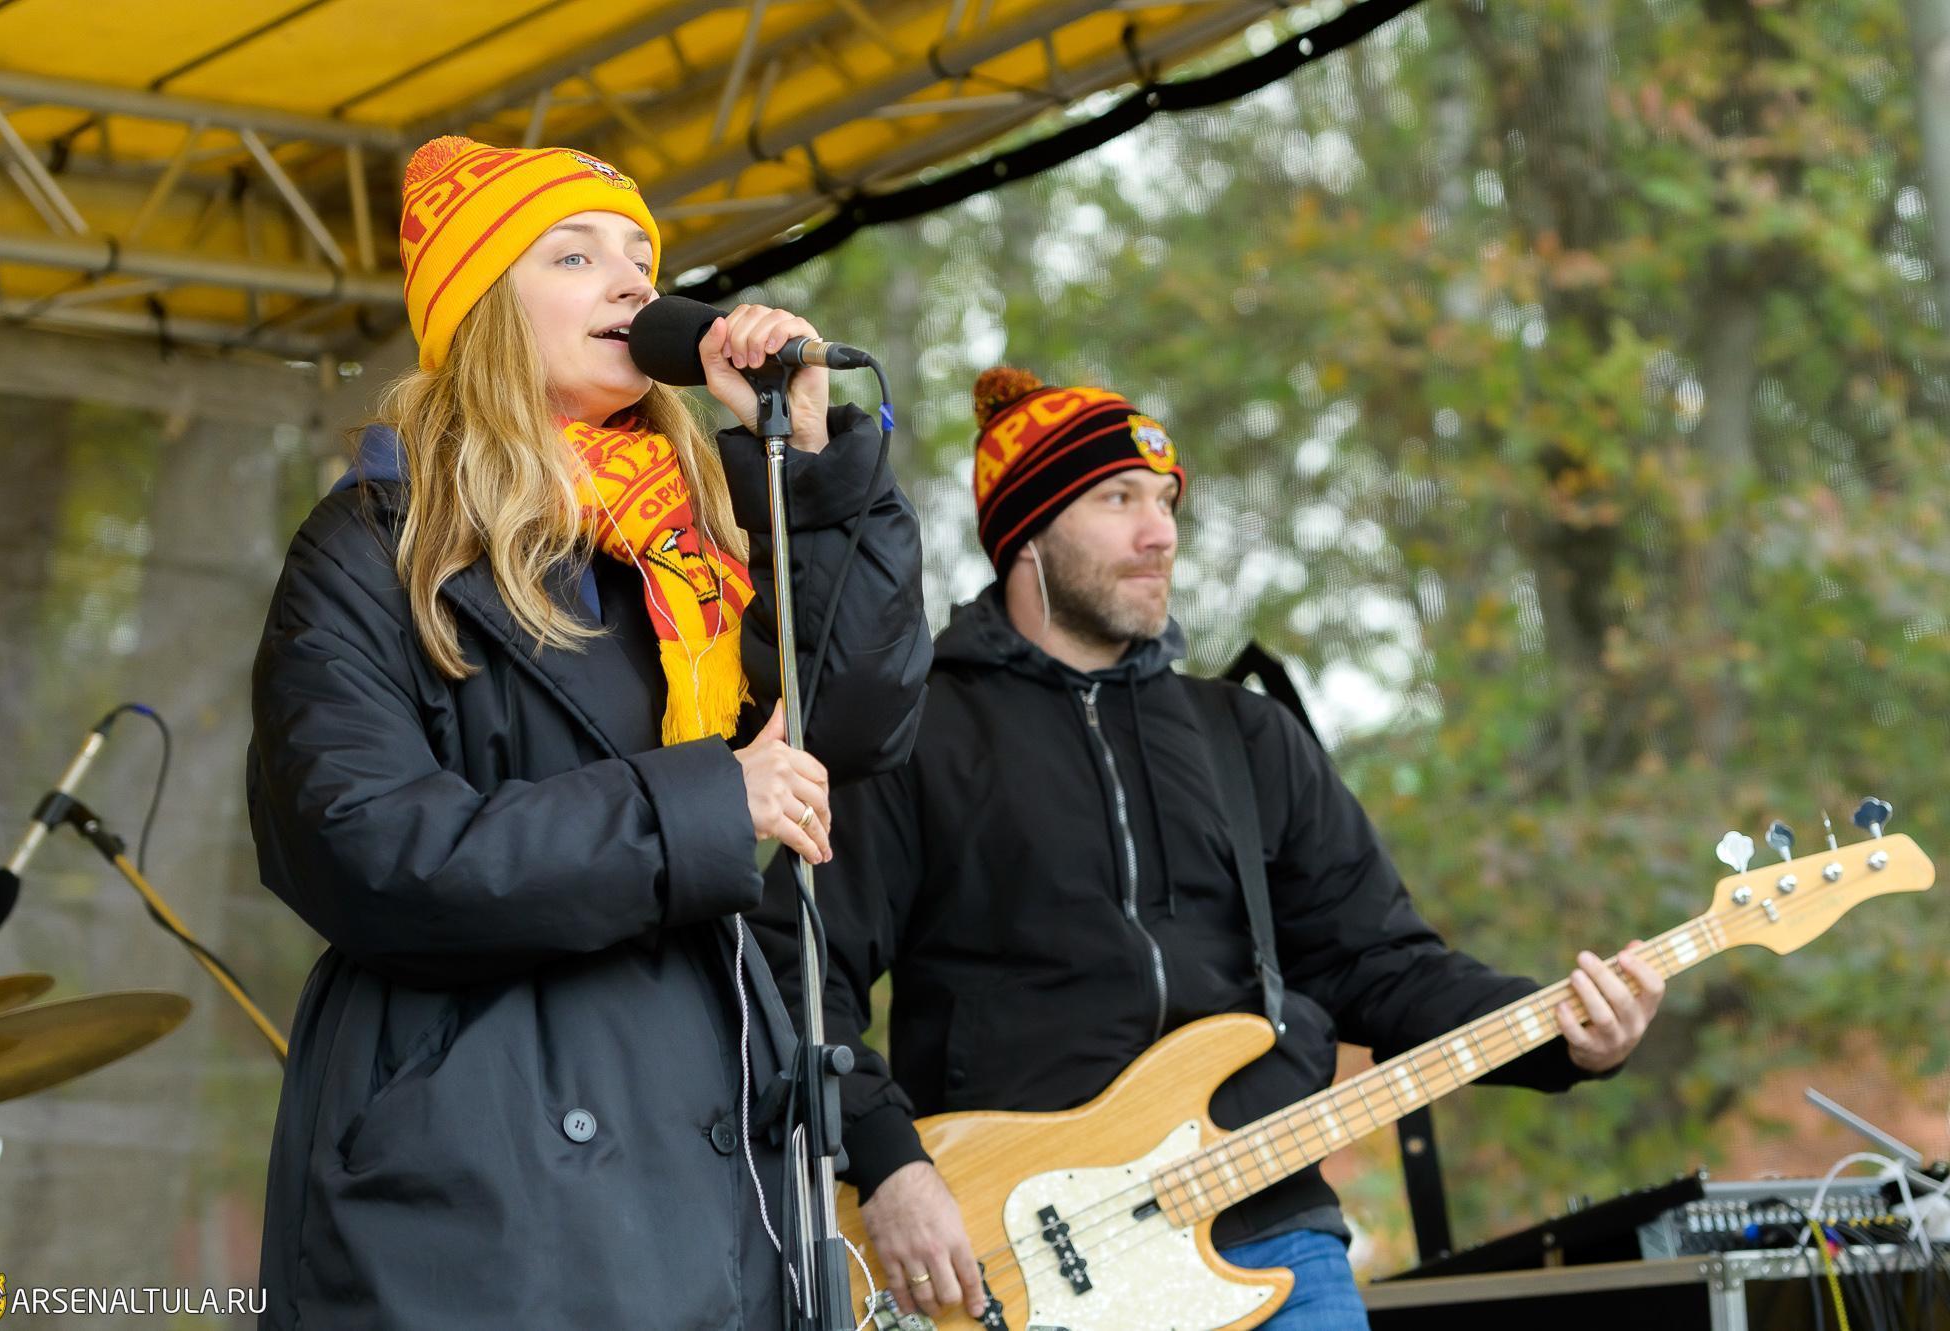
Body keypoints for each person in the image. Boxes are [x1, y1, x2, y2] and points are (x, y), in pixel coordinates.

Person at [753, 366, 1664, 1329]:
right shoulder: (915, 736)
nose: (1162, 534)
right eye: (1119, 500)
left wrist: (1559, 1030)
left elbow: (1380, 964)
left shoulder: (1248, 736)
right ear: (1027, 532)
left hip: (1268, 1230)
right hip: (1021, 1251)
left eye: (1167, 502)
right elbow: (794, 966)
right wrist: (889, 1163)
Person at [246, 135, 930, 1329]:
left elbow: (858, 718)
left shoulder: (699, 536)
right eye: (574, 256)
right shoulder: (375, 543)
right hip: (481, 1168)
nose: (632, 285)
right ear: (480, 309)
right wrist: (710, 803)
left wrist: (812, 475)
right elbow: (362, 846)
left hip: (708, 1139)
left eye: (641, 259)